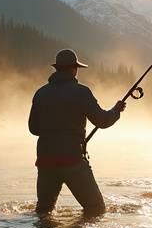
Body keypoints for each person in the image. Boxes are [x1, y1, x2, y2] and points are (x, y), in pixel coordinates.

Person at [28, 49, 125, 216]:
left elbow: (33, 129)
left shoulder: (40, 93)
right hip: (72, 160)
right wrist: (116, 111)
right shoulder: (81, 92)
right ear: (73, 69)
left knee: (43, 212)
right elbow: (102, 121)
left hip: (45, 161)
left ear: (57, 69)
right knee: (96, 209)